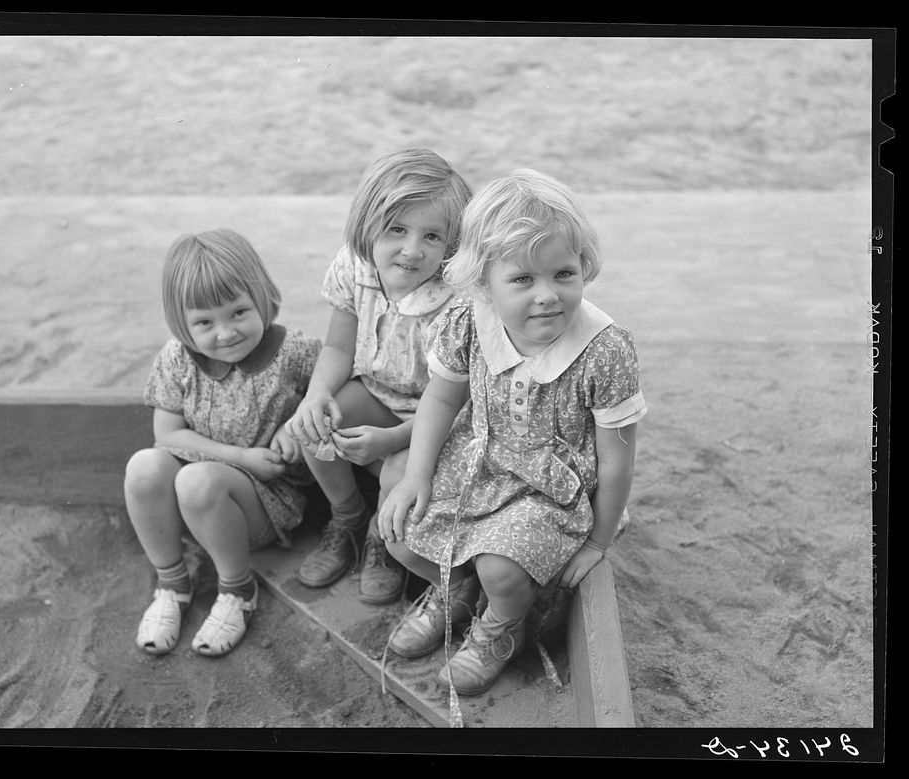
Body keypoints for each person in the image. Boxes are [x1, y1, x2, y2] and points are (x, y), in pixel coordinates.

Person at [378, 169, 647, 703]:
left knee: (502, 566)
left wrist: (598, 541)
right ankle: (453, 590)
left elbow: (618, 461)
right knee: (399, 528)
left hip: (550, 490)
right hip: (478, 460)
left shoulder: (605, 349)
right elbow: (441, 397)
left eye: (563, 274)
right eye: (523, 280)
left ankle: (502, 625)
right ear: (483, 281)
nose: (548, 296)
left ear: (583, 266)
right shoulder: (467, 319)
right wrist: (416, 476)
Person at [284, 149, 472, 604]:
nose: (412, 250)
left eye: (432, 236)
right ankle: (347, 518)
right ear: (369, 224)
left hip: (435, 423)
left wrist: (391, 441)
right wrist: (317, 394)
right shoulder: (354, 266)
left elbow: (459, 405)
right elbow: (338, 347)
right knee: (313, 423)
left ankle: (381, 537)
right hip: (374, 394)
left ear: (452, 244)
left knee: (395, 471)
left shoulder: (455, 300)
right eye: (397, 230)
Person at [125, 228, 319, 657]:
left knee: (198, 481)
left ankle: (237, 590)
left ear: (262, 296)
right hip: (197, 493)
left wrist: (296, 424)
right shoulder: (177, 359)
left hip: (264, 501)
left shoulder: (295, 352)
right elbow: (167, 436)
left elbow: (334, 390)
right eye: (204, 322)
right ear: (182, 322)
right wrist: (241, 458)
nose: (226, 332)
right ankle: (172, 583)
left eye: (238, 312)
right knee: (144, 465)